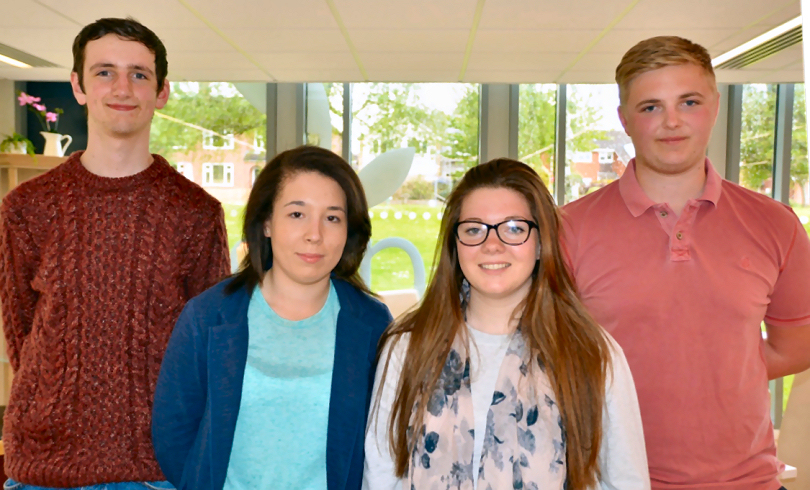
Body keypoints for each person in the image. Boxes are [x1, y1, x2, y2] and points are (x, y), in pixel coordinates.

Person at [562, 36, 810, 490]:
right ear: (625, 120)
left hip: (749, 482)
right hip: (612, 481)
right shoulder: (568, 229)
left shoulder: (776, 224)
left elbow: (796, 347)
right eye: (651, 106)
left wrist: (714, 366)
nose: (671, 122)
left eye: (689, 101)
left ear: (714, 106)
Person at [0, 17, 230, 490]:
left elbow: (209, 350)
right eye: (104, 71)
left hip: (156, 470)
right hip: (43, 470)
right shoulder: (26, 207)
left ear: (162, 92)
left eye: (139, 74)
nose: (122, 87)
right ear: (78, 86)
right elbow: (21, 330)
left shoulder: (196, 213)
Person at [364, 159, 649, 490]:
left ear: (542, 243)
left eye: (514, 228)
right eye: (474, 229)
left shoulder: (591, 352)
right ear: (455, 246)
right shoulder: (408, 347)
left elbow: (627, 482)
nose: (492, 244)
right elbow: (380, 476)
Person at [152, 145, 393, 490]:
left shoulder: (371, 323)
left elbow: (383, 440)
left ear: (348, 230)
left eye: (332, 217)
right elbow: (172, 432)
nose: (315, 234)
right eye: (297, 214)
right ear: (266, 222)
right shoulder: (208, 317)